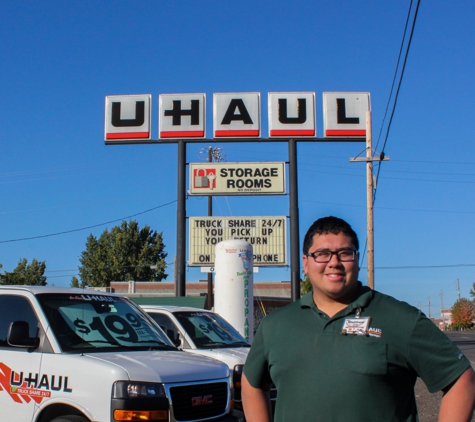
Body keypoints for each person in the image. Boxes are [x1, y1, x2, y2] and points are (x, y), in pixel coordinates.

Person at [242, 216, 475, 422]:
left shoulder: (401, 319)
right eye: (322, 254)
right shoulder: (276, 325)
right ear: (306, 263)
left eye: (345, 253)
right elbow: (252, 383)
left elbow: (461, 379)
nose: (334, 262)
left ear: (357, 259)